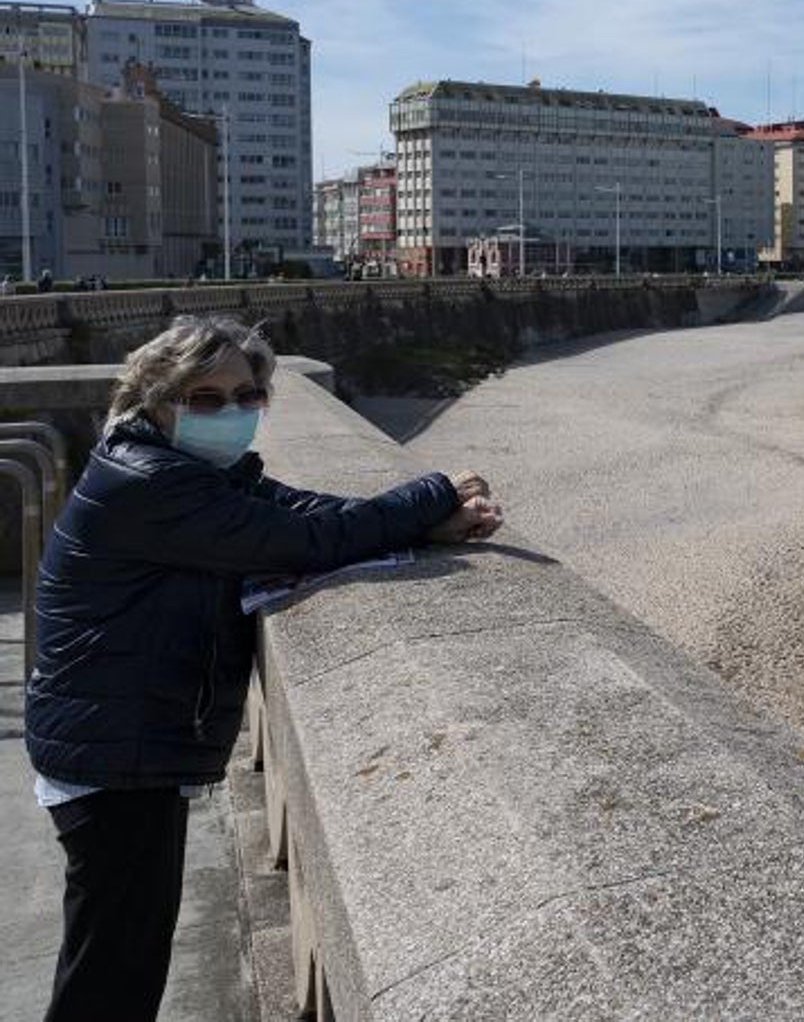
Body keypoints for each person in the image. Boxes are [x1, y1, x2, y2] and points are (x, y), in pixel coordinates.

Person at [25, 315, 502, 1022]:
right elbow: (304, 540)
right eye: (206, 398)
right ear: (156, 398)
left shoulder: (182, 468)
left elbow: (304, 511)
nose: (232, 413)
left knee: (113, 958)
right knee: (113, 976)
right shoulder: (150, 482)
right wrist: (433, 493)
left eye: (247, 397)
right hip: (110, 755)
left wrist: (417, 522)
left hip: (114, 739)